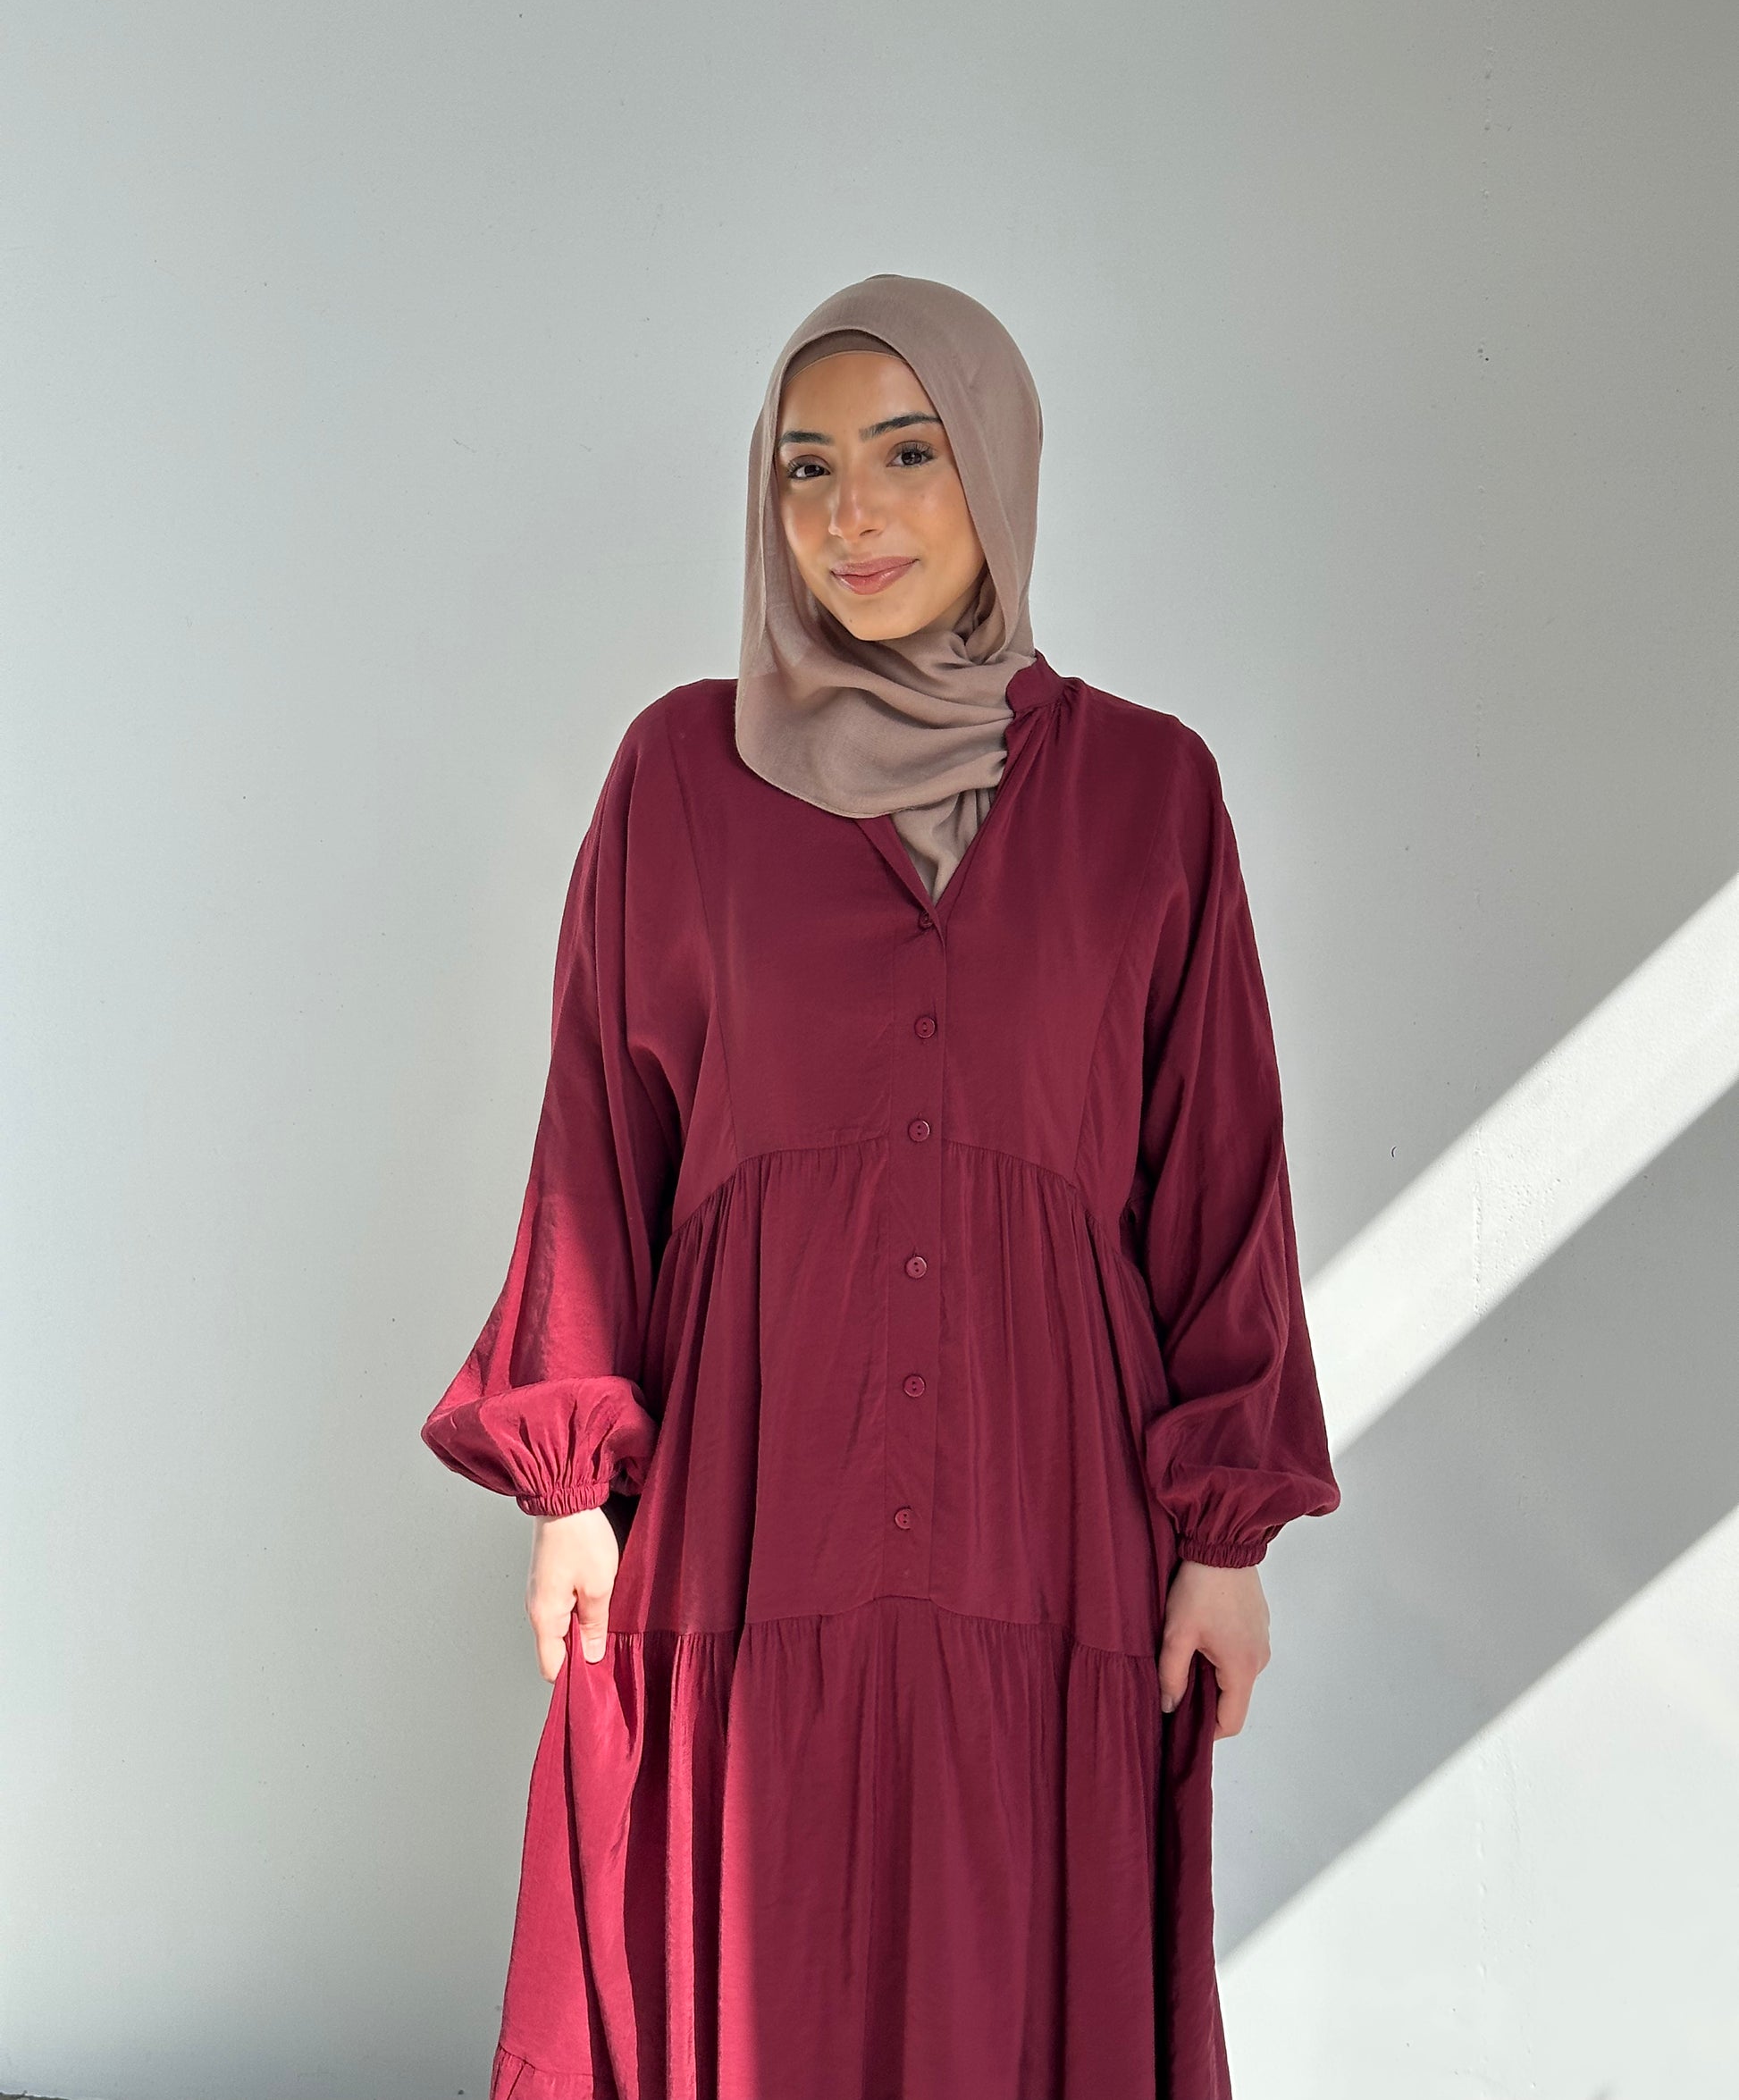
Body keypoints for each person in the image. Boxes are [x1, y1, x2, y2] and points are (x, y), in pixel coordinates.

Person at [420, 272, 1341, 2100]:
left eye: (910, 454)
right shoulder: (677, 776)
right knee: (738, 1922)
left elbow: (1218, 1175)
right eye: (807, 466)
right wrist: (570, 1489)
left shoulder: (1152, 794)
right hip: (748, 1499)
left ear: (995, 466)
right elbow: (597, 1145)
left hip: (1047, 1510)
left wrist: (1225, 1538)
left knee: (1016, 1937)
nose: (853, 514)